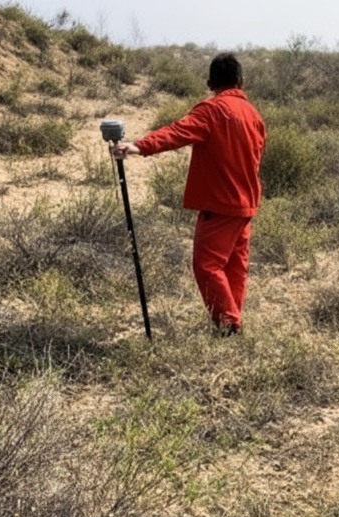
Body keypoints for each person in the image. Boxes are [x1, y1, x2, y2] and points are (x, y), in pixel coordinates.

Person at [113, 53, 266, 336]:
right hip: (246, 205)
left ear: (210, 83)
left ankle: (229, 325)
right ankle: (231, 322)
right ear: (241, 82)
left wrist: (138, 146)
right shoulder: (254, 115)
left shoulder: (212, 111)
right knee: (234, 267)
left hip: (220, 205)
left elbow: (177, 132)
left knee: (207, 266)